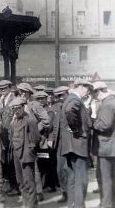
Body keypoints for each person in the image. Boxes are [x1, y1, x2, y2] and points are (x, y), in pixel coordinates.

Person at [59, 79, 93, 208]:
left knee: (72, 179)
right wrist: (76, 129)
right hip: (78, 145)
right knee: (81, 180)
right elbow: (69, 111)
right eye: (88, 90)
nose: (88, 93)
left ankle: (72, 205)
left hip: (70, 146)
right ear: (82, 87)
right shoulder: (75, 99)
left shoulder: (70, 98)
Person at [9, 97, 41, 208]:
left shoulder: (30, 120)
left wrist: (30, 149)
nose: (16, 111)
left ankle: (32, 205)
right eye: (14, 109)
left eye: (18, 108)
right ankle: (26, 202)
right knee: (20, 181)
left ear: (23, 107)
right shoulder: (14, 122)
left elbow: (36, 138)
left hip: (26, 155)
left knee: (29, 182)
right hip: (17, 155)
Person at [92, 81, 115, 208]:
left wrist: (94, 123)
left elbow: (105, 124)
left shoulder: (107, 104)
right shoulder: (113, 101)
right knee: (111, 178)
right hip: (111, 147)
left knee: (105, 178)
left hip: (106, 147)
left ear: (99, 91)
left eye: (94, 92)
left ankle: (107, 205)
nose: (94, 95)